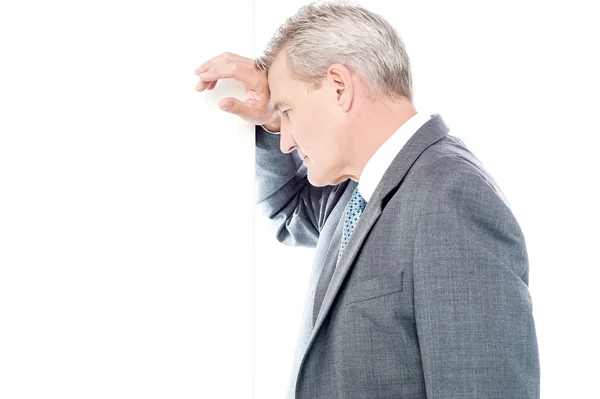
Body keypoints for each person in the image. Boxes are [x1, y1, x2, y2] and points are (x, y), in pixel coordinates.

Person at [194, 1, 540, 398]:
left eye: (288, 111)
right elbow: (288, 214)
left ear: (339, 87)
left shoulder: (451, 196)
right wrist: (271, 121)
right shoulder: (356, 188)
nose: (286, 139)